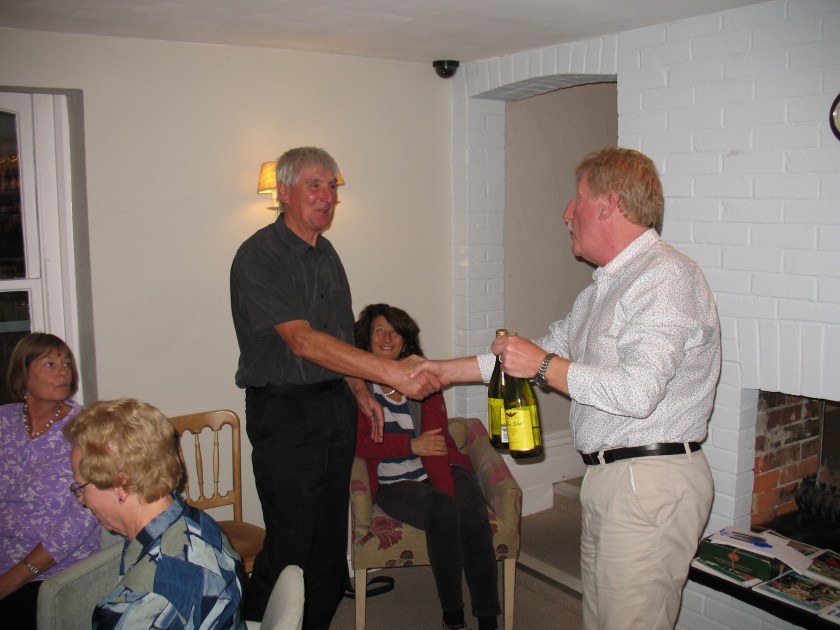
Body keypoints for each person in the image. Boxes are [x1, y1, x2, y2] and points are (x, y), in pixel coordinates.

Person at [414, 146, 720, 630]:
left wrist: (545, 364)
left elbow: (637, 392)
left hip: (649, 480)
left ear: (608, 204)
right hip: (614, 479)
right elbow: (530, 354)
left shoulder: (665, 277)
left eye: (576, 198)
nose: (566, 213)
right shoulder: (604, 287)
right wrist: (442, 370)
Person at [229, 146, 440, 627]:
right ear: (284, 191)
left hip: (334, 408)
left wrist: (360, 391)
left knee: (328, 542)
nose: (328, 196)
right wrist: (388, 373)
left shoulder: (327, 254)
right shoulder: (260, 254)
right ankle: (260, 622)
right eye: (315, 185)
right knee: (289, 541)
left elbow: (340, 335)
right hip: (285, 413)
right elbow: (303, 341)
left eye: (333, 186)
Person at [354, 303, 500, 630]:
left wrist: (448, 490)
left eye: (395, 332)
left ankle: (489, 618)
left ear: (406, 340)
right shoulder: (360, 389)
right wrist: (409, 445)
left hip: (440, 466)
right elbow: (358, 443)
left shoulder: (425, 381)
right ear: (367, 339)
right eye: (380, 330)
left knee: (471, 513)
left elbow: (435, 447)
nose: (388, 337)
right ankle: (453, 616)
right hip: (395, 484)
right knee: (442, 509)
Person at [64, 398, 246, 629]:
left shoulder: (146, 603)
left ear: (121, 485)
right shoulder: (199, 522)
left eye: (81, 487)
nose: (80, 500)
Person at [0, 333, 100, 629]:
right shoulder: (3, 422)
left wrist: (15, 576)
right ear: (23, 373)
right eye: (50, 364)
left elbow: (83, 518)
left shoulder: (85, 428)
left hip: (52, 572)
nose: (63, 372)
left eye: (67, 363)